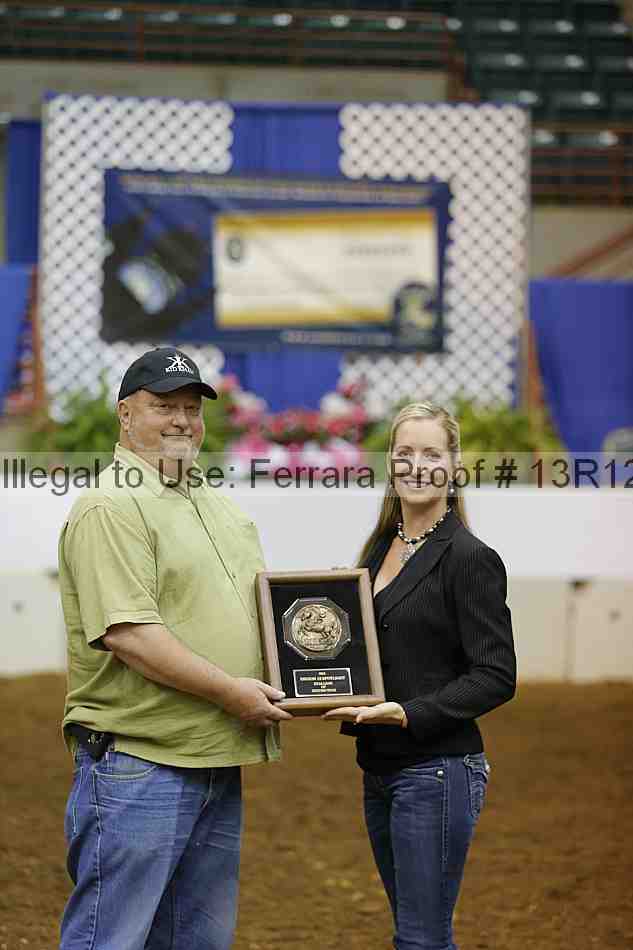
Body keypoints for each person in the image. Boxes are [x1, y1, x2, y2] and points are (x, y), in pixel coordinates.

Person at [58, 346, 291, 950]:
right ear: (125, 414)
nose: (182, 420)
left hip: (213, 754)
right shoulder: (110, 505)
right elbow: (131, 636)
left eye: (191, 407)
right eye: (164, 406)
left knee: (196, 940)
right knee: (111, 938)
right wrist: (233, 693)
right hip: (141, 763)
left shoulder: (212, 502)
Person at [324, 401, 516, 950]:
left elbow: (497, 674)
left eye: (432, 454)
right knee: (420, 934)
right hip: (379, 768)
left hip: (437, 771)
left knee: (419, 938)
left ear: (454, 466)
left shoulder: (469, 557)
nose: (416, 466)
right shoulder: (378, 550)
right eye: (404, 453)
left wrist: (410, 713)